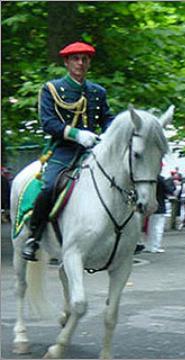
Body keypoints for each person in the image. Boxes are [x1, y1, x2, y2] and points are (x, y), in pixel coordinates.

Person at [22, 41, 115, 261]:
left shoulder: (97, 91)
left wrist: (111, 133)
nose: (80, 63)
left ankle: (123, 235)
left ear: (89, 62)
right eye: (75, 59)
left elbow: (107, 118)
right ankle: (34, 237)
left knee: (119, 180)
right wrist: (76, 135)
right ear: (66, 62)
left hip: (93, 149)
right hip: (63, 150)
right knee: (50, 186)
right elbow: (48, 123)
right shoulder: (51, 89)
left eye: (85, 59)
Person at [144, 175, 172, 253]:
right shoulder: (160, 179)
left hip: (151, 205)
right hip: (160, 205)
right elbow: (168, 190)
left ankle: (150, 246)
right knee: (158, 228)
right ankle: (156, 246)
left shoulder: (149, 178)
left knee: (151, 227)